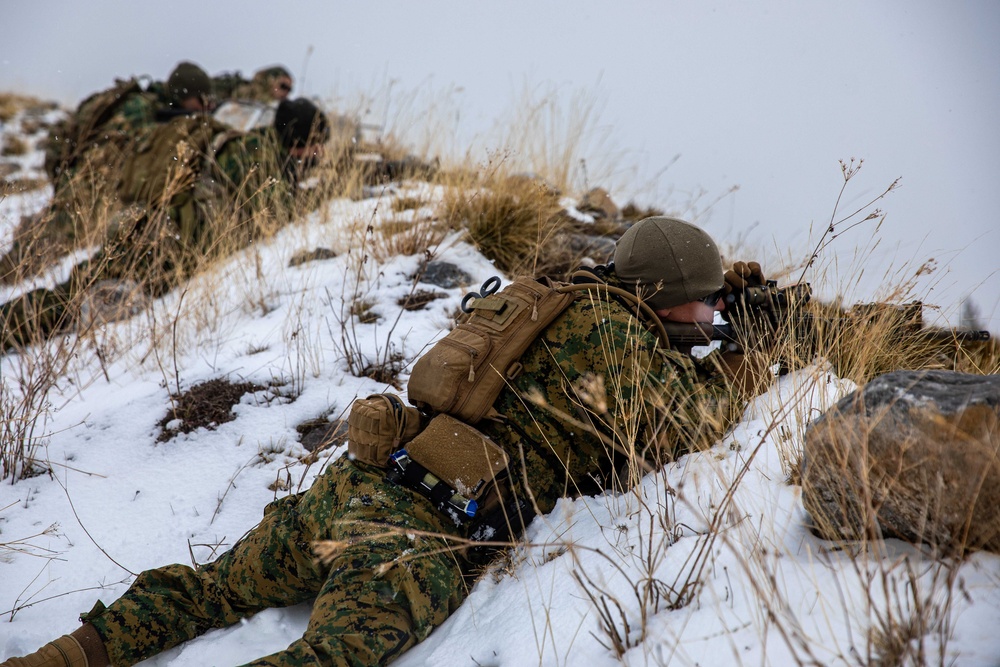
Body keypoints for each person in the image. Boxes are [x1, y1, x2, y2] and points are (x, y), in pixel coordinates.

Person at [1, 217, 773, 666]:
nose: (711, 315)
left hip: (356, 480)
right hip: (414, 533)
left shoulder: (549, 298)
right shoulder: (615, 339)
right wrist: (750, 350)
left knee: (213, 588)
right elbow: (695, 428)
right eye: (704, 305)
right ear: (668, 304)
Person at [0, 98, 330, 350]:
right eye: (317, 144)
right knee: (69, 301)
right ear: (299, 142)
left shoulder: (264, 152)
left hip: (157, 236)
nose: (321, 153)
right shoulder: (254, 152)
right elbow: (273, 212)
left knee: (75, 293)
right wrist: (324, 193)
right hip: (160, 245)